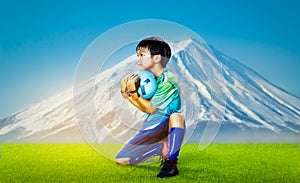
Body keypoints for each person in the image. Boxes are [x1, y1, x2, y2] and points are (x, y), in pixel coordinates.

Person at [115, 36, 185, 178]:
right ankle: (159, 148)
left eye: (142, 55)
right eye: (137, 55)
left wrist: (133, 93)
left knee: (176, 116)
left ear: (157, 58)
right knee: (121, 159)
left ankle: (171, 163)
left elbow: (150, 109)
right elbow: (144, 106)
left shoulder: (167, 80)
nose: (138, 59)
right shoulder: (148, 79)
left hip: (165, 126)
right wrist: (127, 94)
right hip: (150, 127)